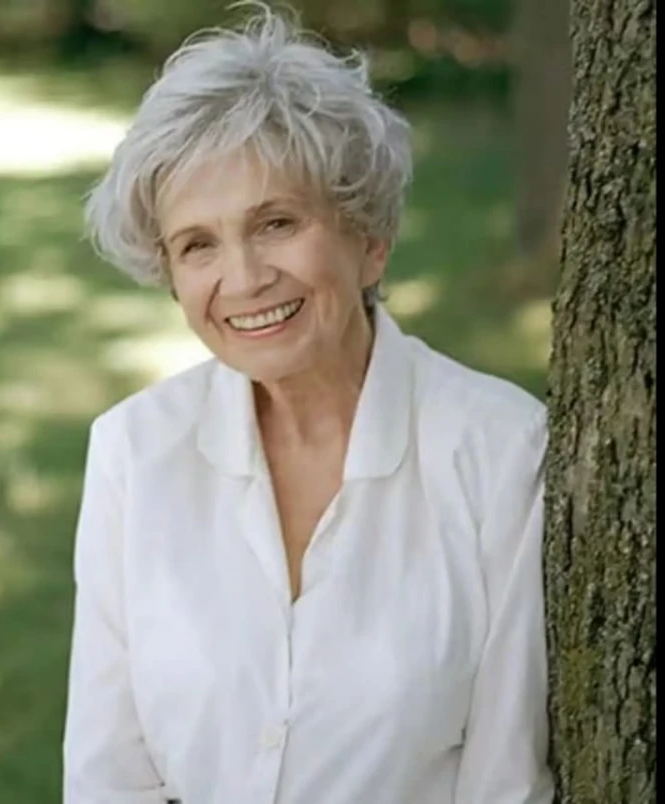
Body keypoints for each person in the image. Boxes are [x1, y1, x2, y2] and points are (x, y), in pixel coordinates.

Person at [61, 4, 554, 803]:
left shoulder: (500, 451)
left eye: (277, 222)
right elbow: (107, 777)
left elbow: (504, 783)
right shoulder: (132, 454)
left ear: (369, 238)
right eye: (199, 245)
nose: (246, 277)